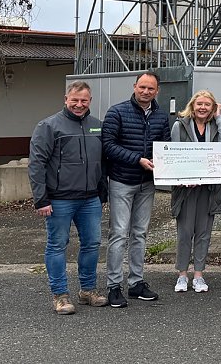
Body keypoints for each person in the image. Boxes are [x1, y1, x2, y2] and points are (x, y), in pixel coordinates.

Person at [28, 81, 109, 315]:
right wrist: (41, 199)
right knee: (57, 245)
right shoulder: (49, 126)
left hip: (90, 199)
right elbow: (37, 165)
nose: (79, 104)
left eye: (84, 100)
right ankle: (60, 296)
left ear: (90, 101)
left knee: (92, 244)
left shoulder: (97, 126)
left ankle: (87, 290)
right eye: (75, 100)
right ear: (66, 99)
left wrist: (101, 192)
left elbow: (102, 162)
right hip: (59, 199)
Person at [102, 71, 171, 307]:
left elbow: (165, 147)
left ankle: (136, 283)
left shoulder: (161, 116)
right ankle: (113, 285)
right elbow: (108, 145)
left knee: (140, 234)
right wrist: (137, 159)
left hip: (147, 183)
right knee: (119, 233)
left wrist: (167, 165)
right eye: (142, 87)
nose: (145, 92)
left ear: (157, 91)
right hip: (122, 181)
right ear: (134, 86)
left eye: (150, 89)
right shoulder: (117, 112)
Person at [169, 90, 221, 293]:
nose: (203, 108)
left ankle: (198, 275)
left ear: (213, 107)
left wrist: (220, 118)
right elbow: (175, 154)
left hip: (209, 189)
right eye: (199, 104)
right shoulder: (180, 125)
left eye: (207, 104)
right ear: (193, 106)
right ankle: (182, 275)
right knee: (185, 233)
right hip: (186, 190)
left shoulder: (216, 126)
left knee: (204, 233)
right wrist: (184, 178)